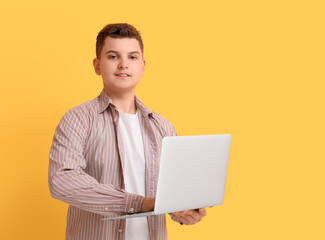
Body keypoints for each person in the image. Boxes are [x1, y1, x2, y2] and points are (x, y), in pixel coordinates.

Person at [48, 23, 207, 240]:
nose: (124, 65)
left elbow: (172, 193)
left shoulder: (163, 127)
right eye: (113, 56)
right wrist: (138, 204)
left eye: (132, 57)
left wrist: (185, 211)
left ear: (142, 66)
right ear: (97, 65)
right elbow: (62, 181)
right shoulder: (78, 119)